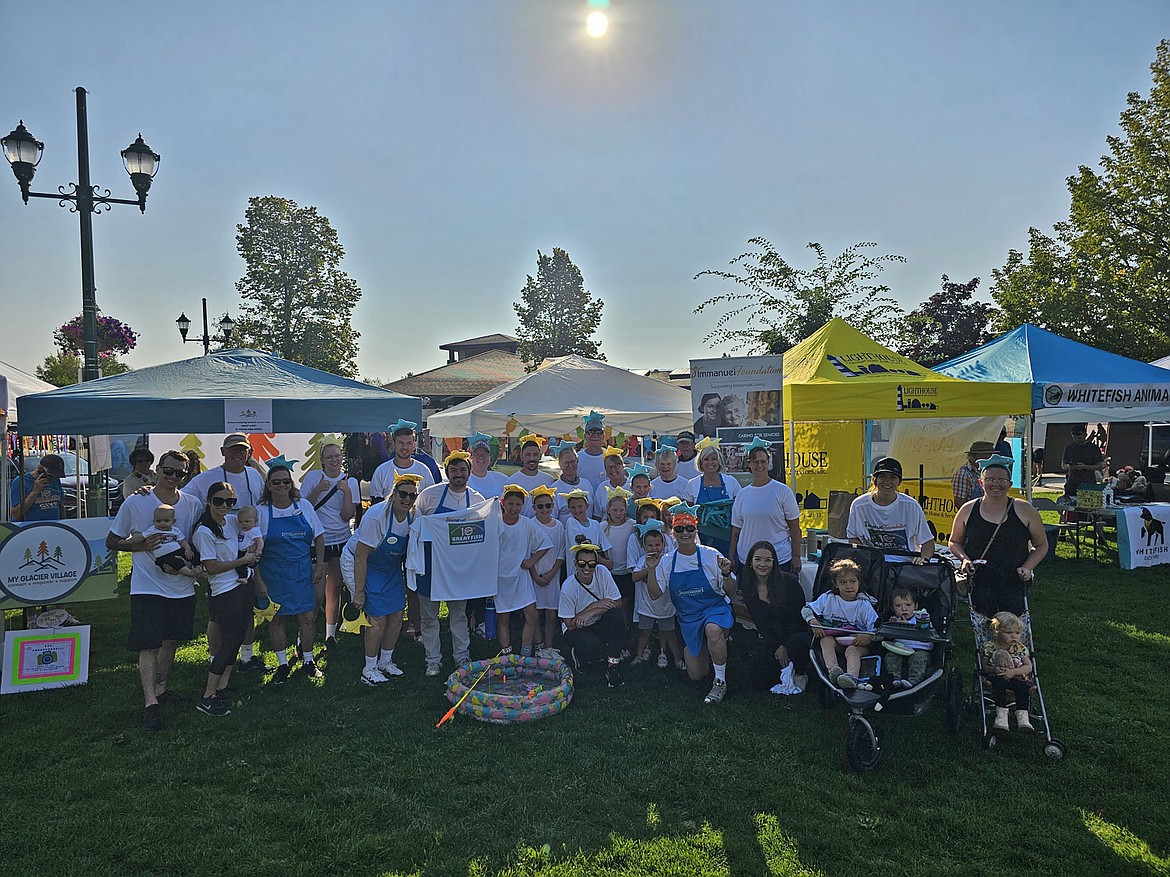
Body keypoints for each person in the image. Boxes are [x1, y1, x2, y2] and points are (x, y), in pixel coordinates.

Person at [106, 450, 205, 731]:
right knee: (149, 646)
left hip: (182, 587)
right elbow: (112, 541)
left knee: (171, 642)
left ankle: (161, 690)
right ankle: (151, 704)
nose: (173, 477)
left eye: (179, 473)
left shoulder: (192, 504)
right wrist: (138, 545)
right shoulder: (138, 501)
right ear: (157, 470)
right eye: (168, 471)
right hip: (147, 587)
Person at [645, 503, 736, 704]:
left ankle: (720, 681)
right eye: (679, 529)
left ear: (696, 530)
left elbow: (731, 590)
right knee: (696, 675)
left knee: (713, 630)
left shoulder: (711, 555)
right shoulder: (667, 561)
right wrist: (651, 569)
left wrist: (727, 574)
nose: (685, 533)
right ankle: (714, 652)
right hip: (689, 618)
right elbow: (654, 594)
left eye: (689, 528)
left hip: (714, 609)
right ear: (673, 533)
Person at [253, 455, 327, 684]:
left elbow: (319, 536)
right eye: (276, 482)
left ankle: (307, 660)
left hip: (302, 572)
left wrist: (320, 565)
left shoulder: (303, 506)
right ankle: (282, 663)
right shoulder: (261, 512)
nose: (282, 486)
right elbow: (252, 550)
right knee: (277, 620)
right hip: (273, 574)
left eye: (286, 481)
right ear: (268, 485)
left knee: (307, 617)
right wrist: (259, 581)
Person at [948, 455, 1047, 618]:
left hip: (1013, 580)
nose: (995, 484)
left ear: (1010, 483)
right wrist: (964, 559)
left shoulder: (1024, 509)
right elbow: (954, 541)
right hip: (979, 579)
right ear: (981, 482)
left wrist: (1028, 567)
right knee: (984, 625)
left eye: (1001, 480)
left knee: (1012, 628)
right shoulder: (968, 509)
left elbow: (1042, 545)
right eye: (990, 479)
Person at [192, 482, 260, 716]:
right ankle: (208, 696)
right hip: (223, 590)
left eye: (229, 501)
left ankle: (223, 687)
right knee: (229, 642)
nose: (224, 506)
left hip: (243, 585)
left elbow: (252, 529)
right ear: (209, 501)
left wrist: (257, 547)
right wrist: (243, 561)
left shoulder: (232, 521)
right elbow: (211, 567)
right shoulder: (204, 531)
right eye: (219, 501)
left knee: (239, 636)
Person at [415, 451, 486, 676]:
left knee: (459, 614)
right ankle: (433, 659)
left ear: (469, 471)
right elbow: (416, 525)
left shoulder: (477, 500)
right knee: (429, 615)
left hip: (458, 569)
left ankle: (462, 656)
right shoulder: (429, 496)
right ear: (447, 472)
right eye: (454, 470)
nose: (458, 474)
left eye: (463, 470)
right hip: (430, 566)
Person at [352, 471, 418, 685]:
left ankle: (386, 661)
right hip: (366, 565)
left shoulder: (413, 516)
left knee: (397, 615)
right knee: (377, 620)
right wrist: (359, 592)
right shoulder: (377, 517)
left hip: (390, 569)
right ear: (393, 494)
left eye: (412, 496)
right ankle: (368, 668)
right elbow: (361, 556)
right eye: (403, 494)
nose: (407, 499)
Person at [300, 441, 359, 649]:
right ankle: (304, 634)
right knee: (316, 592)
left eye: (337, 456)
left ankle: (330, 635)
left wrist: (347, 493)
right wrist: (319, 489)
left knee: (334, 588)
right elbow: (304, 507)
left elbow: (347, 516)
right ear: (322, 460)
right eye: (329, 457)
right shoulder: (313, 477)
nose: (334, 460)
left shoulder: (350, 482)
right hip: (318, 541)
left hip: (341, 538)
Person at [741, 541, 811, 695]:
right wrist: (777, 646)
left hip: (794, 634)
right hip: (772, 638)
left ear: (774, 562)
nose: (762, 564)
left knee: (799, 641)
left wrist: (784, 645)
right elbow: (761, 623)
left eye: (767, 560)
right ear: (751, 562)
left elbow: (799, 619)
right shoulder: (748, 587)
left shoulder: (790, 582)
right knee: (759, 681)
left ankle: (800, 673)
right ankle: (783, 670)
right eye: (758, 559)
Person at [728, 437, 802, 576]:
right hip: (748, 560)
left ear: (768, 463)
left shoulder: (782, 491)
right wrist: (731, 556)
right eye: (755, 462)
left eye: (763, 461)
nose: (759, 465)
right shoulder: (742, 495)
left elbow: (794, 526)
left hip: (780, 558)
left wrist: (796, 556)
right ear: (749, 464)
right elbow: (736, 530)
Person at [801, 557, 877, 689]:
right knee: (826, 640)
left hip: (858, 644)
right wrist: (813, 621)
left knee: (852, 651)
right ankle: (833, 671)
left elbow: (876, 628)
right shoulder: (828, 598)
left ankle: (851, 677)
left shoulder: (864, 605)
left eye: (853, 581)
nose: (848, 586)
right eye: (843, 582)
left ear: (859, 582)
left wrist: (868, 636)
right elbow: (806, 609)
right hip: (836, 641)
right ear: (836, 584)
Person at [496, 485, 553, 658]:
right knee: (503, 618)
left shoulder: (527, 524)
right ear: (503, 503)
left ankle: (526, 653)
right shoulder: (495, 523)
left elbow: (546, 544)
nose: (514, 508)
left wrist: (531, 561)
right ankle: (507, 653)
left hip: (521, 577)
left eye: (518, 505)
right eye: (510, 504)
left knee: (532, 614)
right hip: (500, 578)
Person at [558, 543, 626, 687]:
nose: (587, 568)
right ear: (575, 564)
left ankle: (613, 665)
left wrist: (594, 609)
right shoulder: (568, 588)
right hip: (575, 627)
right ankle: (579, 656)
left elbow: (618, 602)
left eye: (592, 563)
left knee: (617, 617)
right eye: (582, 563)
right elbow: (569, 624)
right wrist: (590, 610)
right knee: (589, 643)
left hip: (597, 619)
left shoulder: (603, 572)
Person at [847, 457, 935, 563]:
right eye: (882, 477)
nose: (887, 481)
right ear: (874, 480)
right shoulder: (859, 505)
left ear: (899, 482)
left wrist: (924, 559)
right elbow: (853, 538)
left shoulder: (912, 506)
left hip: (904, 566)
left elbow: (928, 542)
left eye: (893, 477)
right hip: (871, 564)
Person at [629, 522, 685, 670]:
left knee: (670, 634)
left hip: (665, 605)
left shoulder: (668, 560)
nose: (654, 548)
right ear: (644, 547)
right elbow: (634, 577)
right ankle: (639, 655)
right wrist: (649, 568)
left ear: (663, 544)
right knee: (644, 632)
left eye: (657, 545)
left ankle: (677, 659)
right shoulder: (643, 560)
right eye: (650, 545)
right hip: (647, 606)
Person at [182, 434, 266, 511]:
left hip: (251, 526)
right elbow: (182, 498)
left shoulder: (255, 474)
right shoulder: (206, 478)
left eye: (242, 450)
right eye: (233, 450)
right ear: (223, 451)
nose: (238, 454)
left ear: (249, 453)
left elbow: (264, 500)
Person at [981, 611, 1034, 732]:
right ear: (997, 631)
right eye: (1009, 633)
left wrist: (1014, 672)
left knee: (1023, 687)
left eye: (1017, 633)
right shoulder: (990, 647)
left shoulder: (1019, 648)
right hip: (997, 677)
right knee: (998, 684)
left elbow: (1028, 667)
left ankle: (1023, 716)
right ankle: (1001, 715)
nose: (1014, 636)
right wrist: (993, 669)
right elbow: (984, 666)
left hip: (1016, 677)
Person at [529, 484, 566, 656]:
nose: (545, 509)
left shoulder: (558, 526)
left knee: (551, 615)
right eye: (540, 506)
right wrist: (536, 576)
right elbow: (528, 553)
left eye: (548, 505)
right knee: (535, 614)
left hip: (552, 576)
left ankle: (549, 647)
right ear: (534, 508)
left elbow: (560, 553)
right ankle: (538, 646)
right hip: (534, 577)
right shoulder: (530, 525)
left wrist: (551, 574)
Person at [689, 439, 741, 557]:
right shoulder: (693, 484)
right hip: (702, 543)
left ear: (719, 461)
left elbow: (740, 511)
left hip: (728, 543)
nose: (710, 462)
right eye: (706, 459)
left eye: (714, 459)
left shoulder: (731, 482)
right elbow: (687, 514)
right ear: (700, 463)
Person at [370, 420, 436, 504]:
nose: (404, 447)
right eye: (401, 442)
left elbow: (432, 501)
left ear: (414, 446)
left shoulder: (424, 470)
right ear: (394, 444)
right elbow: (376, 505)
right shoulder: (381, 471)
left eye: (408, 443)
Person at [882, 587, 932, 688]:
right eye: (898, 606)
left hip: (920, 649)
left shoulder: (921, 618)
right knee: (890, 656)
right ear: (892, 608)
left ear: (915, 606)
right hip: (899, 649)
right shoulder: (895, 620)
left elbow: (928, 632)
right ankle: (894, 678)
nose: (904, 609)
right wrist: (892, 625)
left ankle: (914, 681)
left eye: (908, 605)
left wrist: (908, 624)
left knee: (919, 658)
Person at [602, 488, 636, 630]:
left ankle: (626, 629)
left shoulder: (632, 525)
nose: (618, 513)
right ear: (608, 510)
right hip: (610, 573)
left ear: (626, 510)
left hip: (626, 572)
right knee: (612, 604)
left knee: (626, 603)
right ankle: (613, 631)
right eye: (614, 510)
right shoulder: (603, 526)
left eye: (621, 510)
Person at [560, 490, 612, 570]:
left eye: (580, 506)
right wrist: (604, 562)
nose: (577, 510)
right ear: (569, 508)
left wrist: (608, 560)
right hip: (577, 571)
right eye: (573, 507)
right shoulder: (571, 522)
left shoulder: (595, 524)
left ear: (587, 506)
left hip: (595, 570)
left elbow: (605, 547)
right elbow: (583, 549)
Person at [142, 505, 200, 577]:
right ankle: (191, 573)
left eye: (166, 521)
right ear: (154, 521)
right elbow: (141, 537)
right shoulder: (152, 530)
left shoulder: (175, 530)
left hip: (178, 551)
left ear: (173, 521)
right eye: (158, 521)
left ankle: (198, 566)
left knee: (193, 549)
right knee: (175, 563)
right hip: (164, 556)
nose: (162, 523)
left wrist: (187, 549)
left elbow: (182, 541)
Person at [550, 440, 595, 527]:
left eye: (573, 462)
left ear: (577, 461)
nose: (570, 466)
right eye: (566, 463)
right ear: (560, 464)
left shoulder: (587, 484)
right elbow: (553, 521)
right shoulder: (554, 489)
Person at [10, 453, 65, 521]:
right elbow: (16, 514)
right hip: (30, 527)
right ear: (40, 469)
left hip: (53, 526)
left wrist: (63, 522)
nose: (53, 478)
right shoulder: (20, 482)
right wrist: (34, 492)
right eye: (50, 475)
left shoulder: (55, 480)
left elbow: (60, 505)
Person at [1061, 424, 1104, 499]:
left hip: (1088, 482)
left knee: (1087, 505)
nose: (1077, 440)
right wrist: (1069, 466)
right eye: (1075, 438)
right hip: (1072, 482)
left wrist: (1085, 467)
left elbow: (1100, 465)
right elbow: (1063, 464)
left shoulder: (1093, 448)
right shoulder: (1069, 448)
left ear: (1085, 435)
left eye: (1079, 438)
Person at [952, 440, 995, 506]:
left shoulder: (987, 471)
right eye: (989, 454)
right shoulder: (963, 474)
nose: (991, 458)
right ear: (978, 455)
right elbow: (959, 503)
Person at [576, 411, 610, 491]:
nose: (595, 435)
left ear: (603, 436)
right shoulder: (577, 458)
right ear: (585, 435)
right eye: (591, 432)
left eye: (599, 432)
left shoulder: (610, 456)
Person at [593, 447, 630, 520]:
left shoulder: (632, 486)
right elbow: (597, 516)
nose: (613, 470)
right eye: (609, 467)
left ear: (623, 466)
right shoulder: (602, 488)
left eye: (616, 466)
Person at [467, 432, 507, 500]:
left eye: (484, 454)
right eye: (477, 454)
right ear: (471, 457)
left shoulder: (501, 478)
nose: (481, 457)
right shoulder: (465, 480)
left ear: (489, 457)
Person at [235, 506, 264, 582]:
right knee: (238, 564)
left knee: (241, 565)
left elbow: (259, 540)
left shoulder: (254, 531)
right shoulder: (243, 530)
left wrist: (259, 550)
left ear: (256, 521)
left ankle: (245, 577)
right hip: (241, 551)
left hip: (248, 552)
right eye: (241, 522)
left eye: (247, 521)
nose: (244, 524)